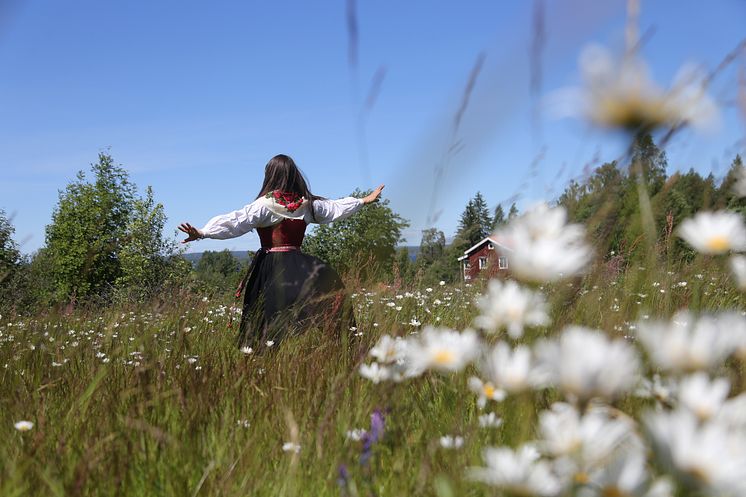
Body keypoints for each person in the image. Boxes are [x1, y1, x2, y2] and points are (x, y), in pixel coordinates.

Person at [178, 154, 384, 348]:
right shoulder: (305, 205)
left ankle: (259, 356)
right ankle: (345, 342)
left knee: (261, 319)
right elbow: (333, 209)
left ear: (270, 175)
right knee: (328, 285)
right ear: (294, 175)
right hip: (298, 266)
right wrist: (362, 201)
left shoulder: (264, 205)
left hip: (270, 267)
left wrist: (204, 232)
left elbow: (236, 222)